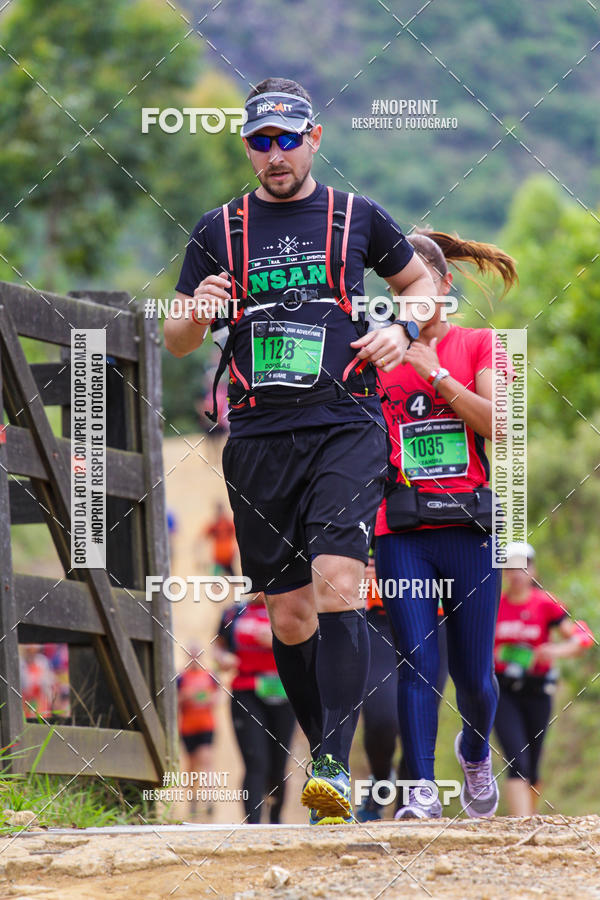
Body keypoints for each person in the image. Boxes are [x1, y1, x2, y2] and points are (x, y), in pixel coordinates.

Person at [165, 76, 437, 823]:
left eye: (288, 138)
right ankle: (327, 764)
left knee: (340, 582)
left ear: (314, 139)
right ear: (247, 147)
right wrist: (201, 312)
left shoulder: (357, 216)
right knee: (288, 616)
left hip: (346, 422)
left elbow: (420, 288)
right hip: (257, 436)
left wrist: (403, 331)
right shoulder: (218, 228)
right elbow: (177, 333)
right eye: (261, 140)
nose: (275, 153)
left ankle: (329, 764)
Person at [375, 228, 518, 819]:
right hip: (402, 534)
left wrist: (436, 376)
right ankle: (421, 791)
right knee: (417, 661)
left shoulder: (483, 344)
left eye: (418, 287)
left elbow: (502, 425)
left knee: (475, 678)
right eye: (395, 291)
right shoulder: (376, 359)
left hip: (470, 531)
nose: (407, 302)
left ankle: (476, 750)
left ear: (445, 285)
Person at [493, 542, 593, 817]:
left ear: (533, 569)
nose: (516, 573)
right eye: (510, 567)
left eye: (523, 566)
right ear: (503, 572)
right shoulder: (493, 606)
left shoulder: (545, 603)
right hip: (503, 691)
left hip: (538, 691)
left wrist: (553, 650)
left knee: (533, 766)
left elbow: (582, 638)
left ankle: (529, 818)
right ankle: (522, 825)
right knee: (517, 759)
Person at [357, 546, 448, 821]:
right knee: (382, 719)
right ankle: (380, 781)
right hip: (379, 617)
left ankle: (408, 810)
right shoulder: (372, 502)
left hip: (435, 618)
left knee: (419, 719)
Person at [214, 592, 296, 824]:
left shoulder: (290, 607)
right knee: (255, 761)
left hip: (284, 692)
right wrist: (223, 658)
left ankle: (276, 821)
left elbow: (308, 644)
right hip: (246, 692)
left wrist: (277, 638)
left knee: (278, 764)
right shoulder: (233, 613)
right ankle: (253, 826)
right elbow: (218, 647)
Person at [177, 646, 219, 819]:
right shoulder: (181, 678)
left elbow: (217, 697)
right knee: (192, 765)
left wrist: (206, 698)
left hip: (206, 725)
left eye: (197, 655)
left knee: (206, 759)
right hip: (187, 727)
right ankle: (193, 801)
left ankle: (209, 799)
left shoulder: (209, 676)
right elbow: (175, 700)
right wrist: (185, 697)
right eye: (191, 655)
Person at [202, 501, 237, 577]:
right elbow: (204, 536)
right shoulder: (214, 524)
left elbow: (236, 536)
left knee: (232, 579)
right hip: (219, 557)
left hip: (227, 556)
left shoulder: (227, 523)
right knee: (217, 579)